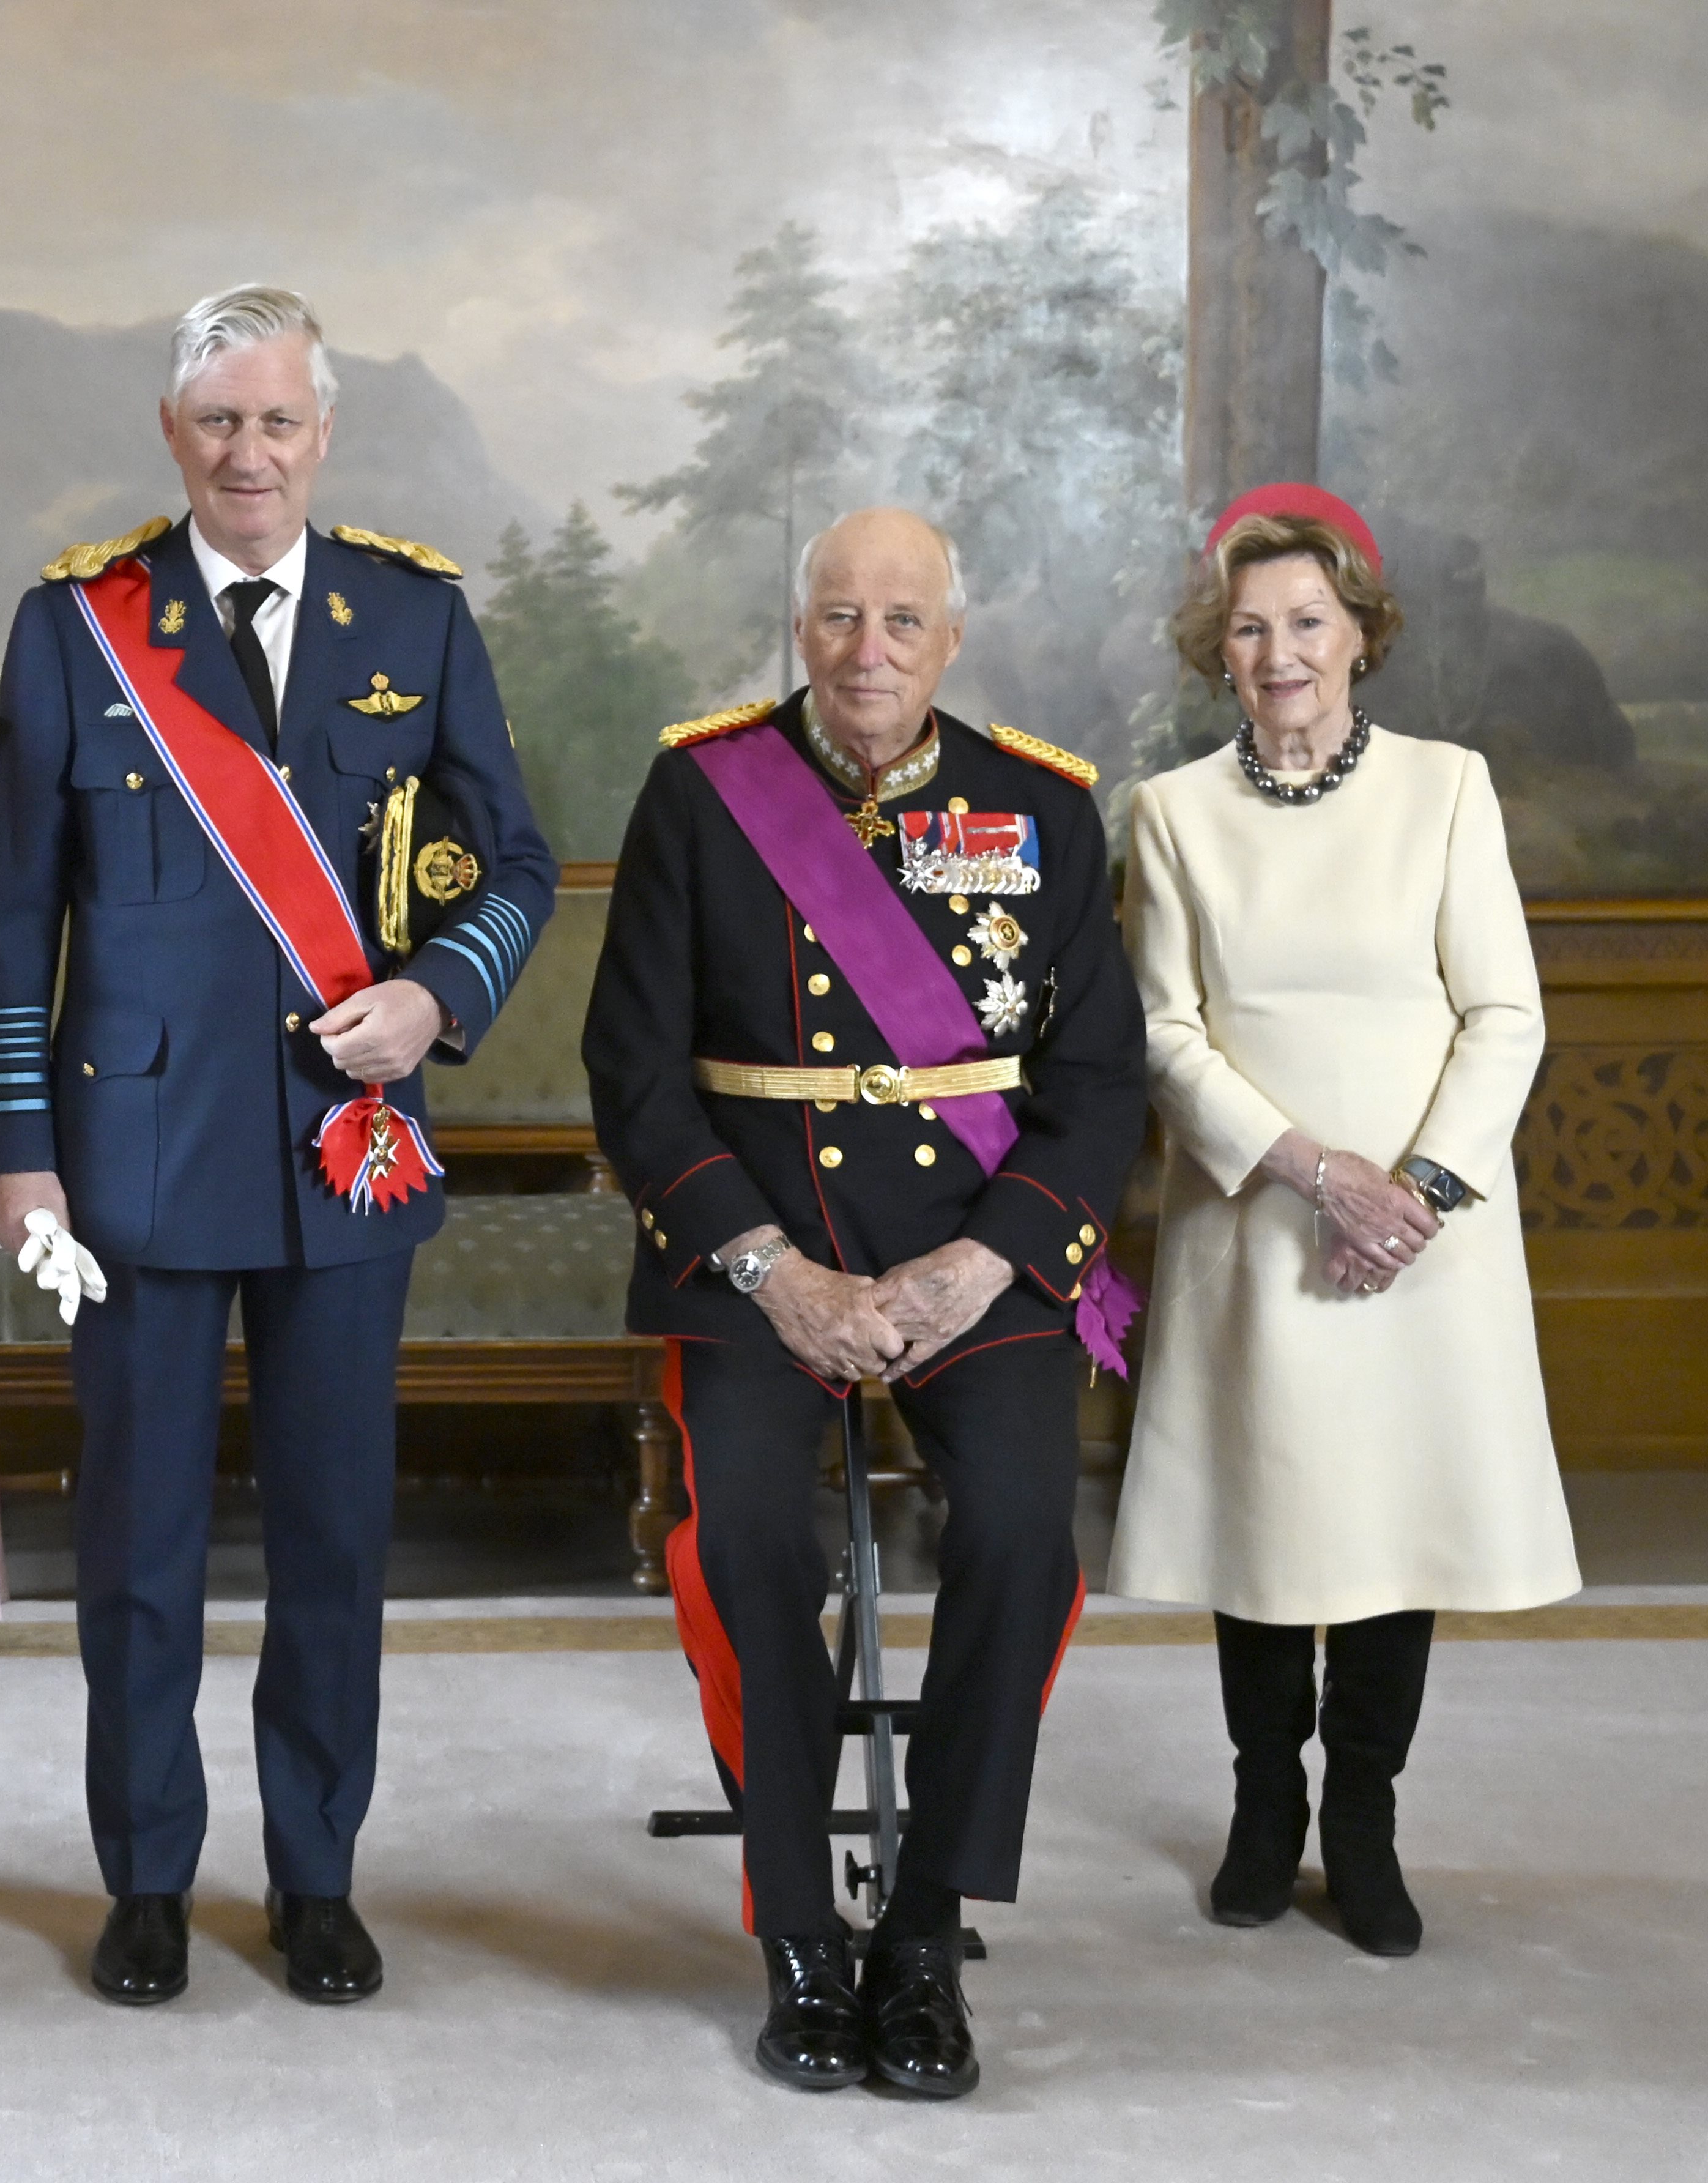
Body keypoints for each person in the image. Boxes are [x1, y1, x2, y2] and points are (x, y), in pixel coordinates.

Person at [0, 285, 557, 2008]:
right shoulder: (78, 625)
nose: (250, 452)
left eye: (279, 421)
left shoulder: (418, 614)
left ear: (324, 435)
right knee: (138, 1550)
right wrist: (17, 1150)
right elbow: (14, 916)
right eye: (219, 421)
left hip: (341, 1154)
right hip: (135, 1160)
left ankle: (318, 1879)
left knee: (332, 1545)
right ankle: (147, 1881)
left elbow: (514, 862)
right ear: (172, 433)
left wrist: (439, 998)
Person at [582, 508, 1147, 2097]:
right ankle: (799, 1932)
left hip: (978, 1248)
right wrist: (773, 1272)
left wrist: (987, 1262)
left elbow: (1097, 1084)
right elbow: (637, 1077)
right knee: (746, 1536)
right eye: (839, 618)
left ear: (950, 639)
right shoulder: (703, 792)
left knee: (1030, 1536)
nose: (868, 651)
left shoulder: (1042, 805)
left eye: (902, 621)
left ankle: (919, 1922)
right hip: (762, 1258)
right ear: (799, 630)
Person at [1107, 483, 1577, 1958]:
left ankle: (1362, 1821)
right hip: (1260, 1219)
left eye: (1307, 621)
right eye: (1249, 630)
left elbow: (1504, 1012)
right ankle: (1264, 1808)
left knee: (1387, 1534)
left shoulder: (1448, 786)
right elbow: (1167, 1035)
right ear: (1218, 651)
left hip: (1422, 1242)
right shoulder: (1171, 814)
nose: (1280, 652)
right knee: (1265, 1526)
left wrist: (1418, 1188)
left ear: (1361, 633)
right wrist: (1319, 1173)